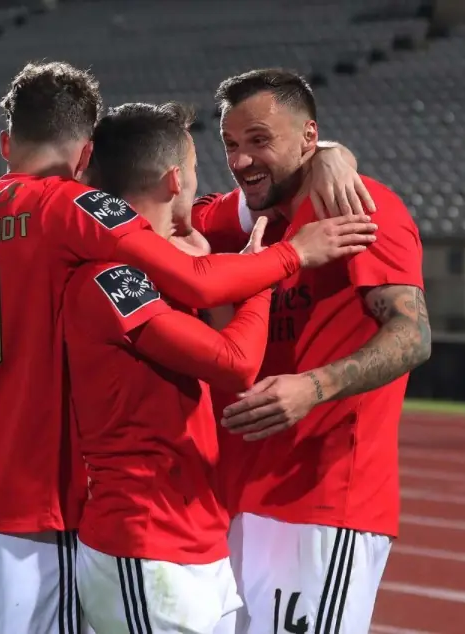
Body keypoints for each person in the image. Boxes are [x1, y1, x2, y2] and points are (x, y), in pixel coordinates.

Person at [0, 61, 377, 634]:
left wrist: (327, 153)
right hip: (29, 515)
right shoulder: (67, 207)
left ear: (5, 143)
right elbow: (198, 284)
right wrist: (291, 255)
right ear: (84, 155)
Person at [69, 102, 347, 634]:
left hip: (198, 540)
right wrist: (271, 268)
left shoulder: (175, 261)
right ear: (176, 179)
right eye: (197, 169)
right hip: (143, 544)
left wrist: (330, 153)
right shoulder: (109, 277)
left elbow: (223, 323)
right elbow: (235, 363)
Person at [193, 69, 432, 634]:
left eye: (259, 140)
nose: (241, 160)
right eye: (230, 143)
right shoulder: (238, 220)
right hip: (231, 502)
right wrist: (328, 153)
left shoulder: (360, 208)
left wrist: (314, 387)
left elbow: (413, 334)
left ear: (307, 136)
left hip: (323, 500)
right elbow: (162, 205)